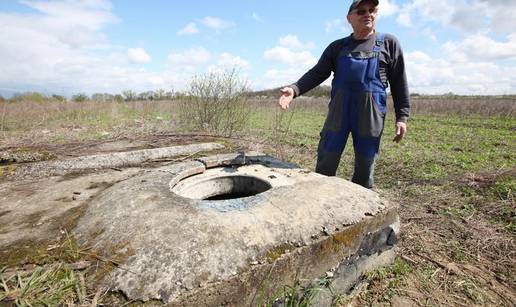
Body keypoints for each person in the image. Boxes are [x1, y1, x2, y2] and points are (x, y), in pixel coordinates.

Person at [278, 0, 410, 189]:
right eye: (361, 11)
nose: (368, 14)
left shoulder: (389, 43)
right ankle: (319, 199)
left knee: (366, 164)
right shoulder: (337, 47)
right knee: (327, 159)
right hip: (339, 112)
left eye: (372, 10)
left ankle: (362, 208)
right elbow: (317, 73)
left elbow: (399, 82)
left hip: (370, 114)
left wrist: (402, 116)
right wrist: (294, 89)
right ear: (349, 18)